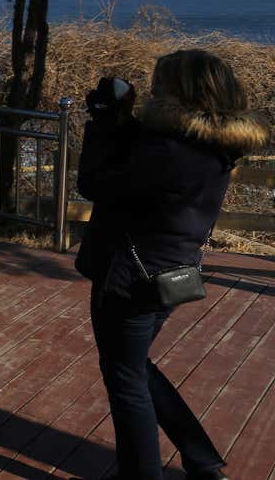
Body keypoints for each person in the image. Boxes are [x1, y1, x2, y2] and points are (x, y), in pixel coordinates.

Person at [76, 49, 268, 480]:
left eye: (161, 83)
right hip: (169, 273)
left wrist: (106, 121)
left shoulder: (167, 150)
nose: (154, 89)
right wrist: (125, 121)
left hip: (130, 275)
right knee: (133, 364)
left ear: (182, 91)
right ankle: (201, 460)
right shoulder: (210, 143)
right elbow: (145, 173)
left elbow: (94, 183)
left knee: (124, 377)